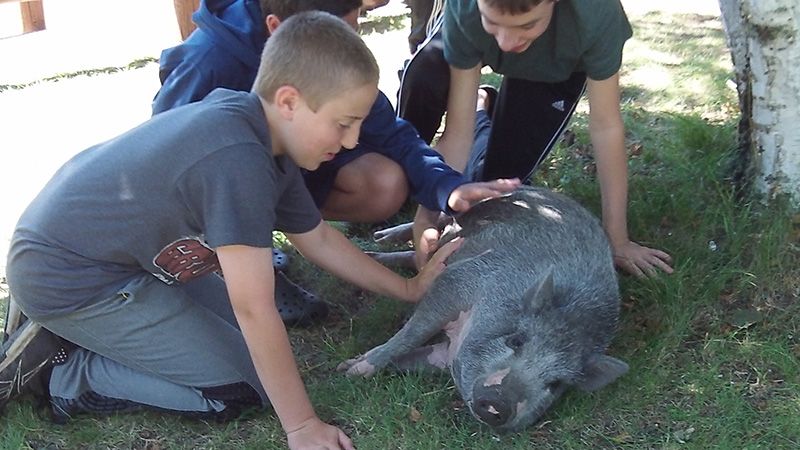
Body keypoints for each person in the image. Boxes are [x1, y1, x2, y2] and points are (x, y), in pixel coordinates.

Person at [0, 12, 518, 449]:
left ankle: (89, 339)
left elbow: (317, 238)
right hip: (72, 278)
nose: (356, 137)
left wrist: (409, 288)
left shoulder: (265, 136)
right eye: (343, 123)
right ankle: (64, 371)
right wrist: (301, 426)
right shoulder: (239, 159)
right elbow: (255, 306)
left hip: (121, 262)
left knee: (254, 352)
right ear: (289, 101)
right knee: (236, 385)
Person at [153, 0, 519, 318]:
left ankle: (280, 221)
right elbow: (166, 150)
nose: (352, 42)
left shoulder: (329, 60)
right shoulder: (210, 60)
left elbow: (393, 135)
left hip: (281, 173)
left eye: (357, 23)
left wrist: (446, 185)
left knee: (384, 183)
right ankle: (241, 258)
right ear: (280, 30)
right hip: (220, 185)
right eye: (340, 31)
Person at [399, 0, 674, 277]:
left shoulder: (596, 14)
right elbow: (458, 133)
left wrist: (618, 240)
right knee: (426, 72)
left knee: (497, 189)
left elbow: (606, 127)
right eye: (492, 22)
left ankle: (484, 107)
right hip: (471, 40)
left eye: (527, 24)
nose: (507, 42)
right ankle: (476, 109)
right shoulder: (466, 8)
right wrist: (427, 216)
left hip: (555, 69)